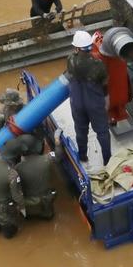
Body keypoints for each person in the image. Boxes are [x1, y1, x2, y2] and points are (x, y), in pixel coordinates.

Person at [67, 31, 111, 164]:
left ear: (77, 47)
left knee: (80, 131)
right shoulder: (98, 64)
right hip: (94, 102)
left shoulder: (70, 59)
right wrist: (106, 99)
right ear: (90, 46)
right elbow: (105, 85)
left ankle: (82, 156)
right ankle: (107, 160)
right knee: (102, 131)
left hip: (77, 101)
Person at [0, 136, 34, 238]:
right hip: (3, 206)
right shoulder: (12, 174)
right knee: (9, 231)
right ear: (15, 156)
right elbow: (17, 197)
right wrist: (23, 209)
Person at [19, 144, 59, 220]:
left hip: (28, 203)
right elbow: (59, 155)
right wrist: (57, 142)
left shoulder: (17, 168)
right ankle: (48, 213)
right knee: (53, 191)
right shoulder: (47, 159)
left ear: (22, 155)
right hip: (44, 200)